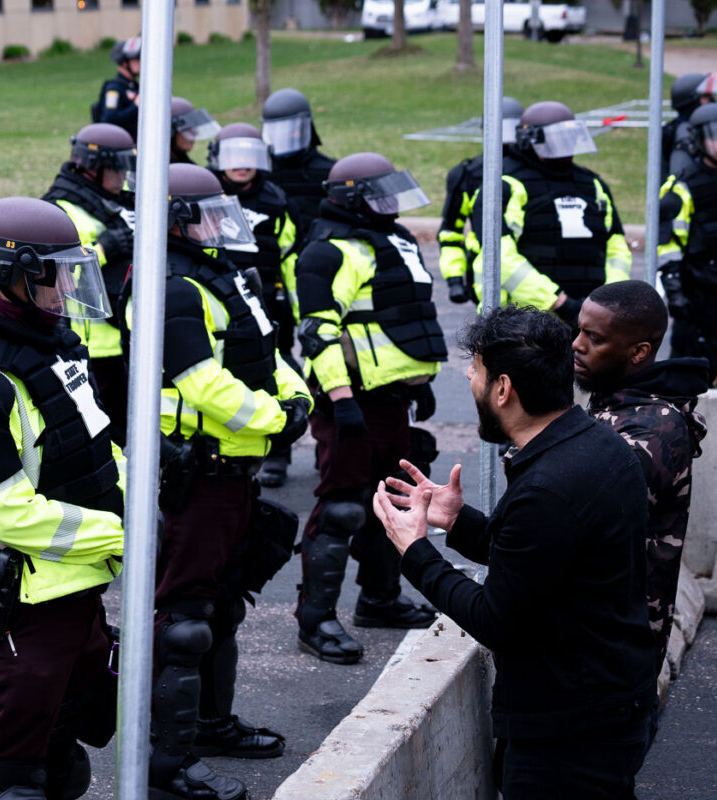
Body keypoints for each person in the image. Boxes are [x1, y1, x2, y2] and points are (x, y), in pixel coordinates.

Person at [376, 305, 657, 799]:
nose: (468, 378)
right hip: (609, 705)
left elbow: (496, 618)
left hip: (567, 734)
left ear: (503, 389)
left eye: (477, 371)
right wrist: (457, 520)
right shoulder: (595, 443)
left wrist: (415, 551)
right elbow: (541, 564)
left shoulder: (548, 486)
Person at [0, 196, 124, 800]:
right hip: (21, 600)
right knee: (13, 776)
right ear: (16, 273)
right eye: (57, 273)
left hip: (76, 588)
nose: (69, 286)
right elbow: (8, 515)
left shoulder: (49, 347)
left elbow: (92, 449)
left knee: (64, 747)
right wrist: (128, 535)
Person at [123, 164, 310, 800]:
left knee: (222, 606)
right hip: (198, 474)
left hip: (235, 467)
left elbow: (264, 353)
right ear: (174, 219)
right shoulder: (172, 285)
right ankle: (164, 764)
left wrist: (294, 396)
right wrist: (276, 418)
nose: (219, 223)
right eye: (205, 213)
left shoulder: (221, 273)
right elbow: (203, 383)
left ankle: (209, 724)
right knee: (184, 620)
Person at [292, 152, 444, 665]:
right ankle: (315, 621)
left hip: (389, 398)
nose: (391, 204)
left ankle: (379, 599)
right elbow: (318, 330)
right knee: (341, 509)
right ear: (353, 199)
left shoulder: (392, 238)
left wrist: (415, 382)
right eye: (379, 194)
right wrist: (340, 399)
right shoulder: (327, 251)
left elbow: (401, 317)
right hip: (350, 399)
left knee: (391, 502)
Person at [575, 281, 709, 678]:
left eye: (593, 338)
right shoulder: (616, 402)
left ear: (638, 352)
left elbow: (579, 511)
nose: (576, 345)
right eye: (579, 330)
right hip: (591, 645)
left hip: (615, 659)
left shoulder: (653, 428)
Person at [472, 100, 631, 329]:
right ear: (529, 140)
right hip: (525, 323)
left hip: (592, 318)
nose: (565, 148)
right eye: (557, 140)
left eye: (569, 138)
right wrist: (560, 303)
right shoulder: (504, 185)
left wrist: (608, 301)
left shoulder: (592, 184)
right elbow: (499, 256)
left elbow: (616, 247)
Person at [208, 122, 300, 487]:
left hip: (270, 302)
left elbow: (291, 253)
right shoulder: (205, 196)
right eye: (233, 156)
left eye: (249, 156)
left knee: (272, 371)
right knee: (222, 373)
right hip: (217, 300)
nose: (241, 165)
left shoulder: (277, 200)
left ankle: (278, 452)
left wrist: (296, 305)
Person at [42, 122, 138, 445]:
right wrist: (104, 250)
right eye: (116, 170)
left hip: (125, 339)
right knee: (102, 438)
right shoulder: (59, 209)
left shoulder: (117, 203)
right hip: (91, 348)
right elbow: (55, 277)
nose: (123, 178)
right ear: (92, 169)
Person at [658, 102, 717, 382]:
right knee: (692, 359)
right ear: (699, 141)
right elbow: (668, 243)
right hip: (698, 287)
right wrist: (675, 289)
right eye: (715, 137)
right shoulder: (681, 188)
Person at [437, 96, 523, 305]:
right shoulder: (467, 175)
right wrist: (454, 278)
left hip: (531, 271)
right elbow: (451, 232)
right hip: (485, 274)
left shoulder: (536, 171)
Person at [260, 87, 337, 244]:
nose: (286, 135)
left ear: (305, 129)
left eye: (290, 129)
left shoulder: (329, 171)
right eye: (276, 130)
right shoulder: (261, 173)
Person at [661, 72, 717, 182]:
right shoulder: (685, 133)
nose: (712, 101)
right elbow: (681, 178)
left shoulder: (699, 129)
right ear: (691, 102)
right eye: (706, 97)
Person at [91, 36, 140, 139]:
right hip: (121, 144)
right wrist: (135, 106)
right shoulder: (114, 88)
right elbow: (110, 118)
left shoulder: (135, 86)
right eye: (137, 59)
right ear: (124, 63)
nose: (141, 63)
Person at [169, 97, 220, 164]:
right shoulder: (157, 170)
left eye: (194, 127)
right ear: (170, 132)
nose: (195, 133)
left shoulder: (183, 162)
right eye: (187, 128)